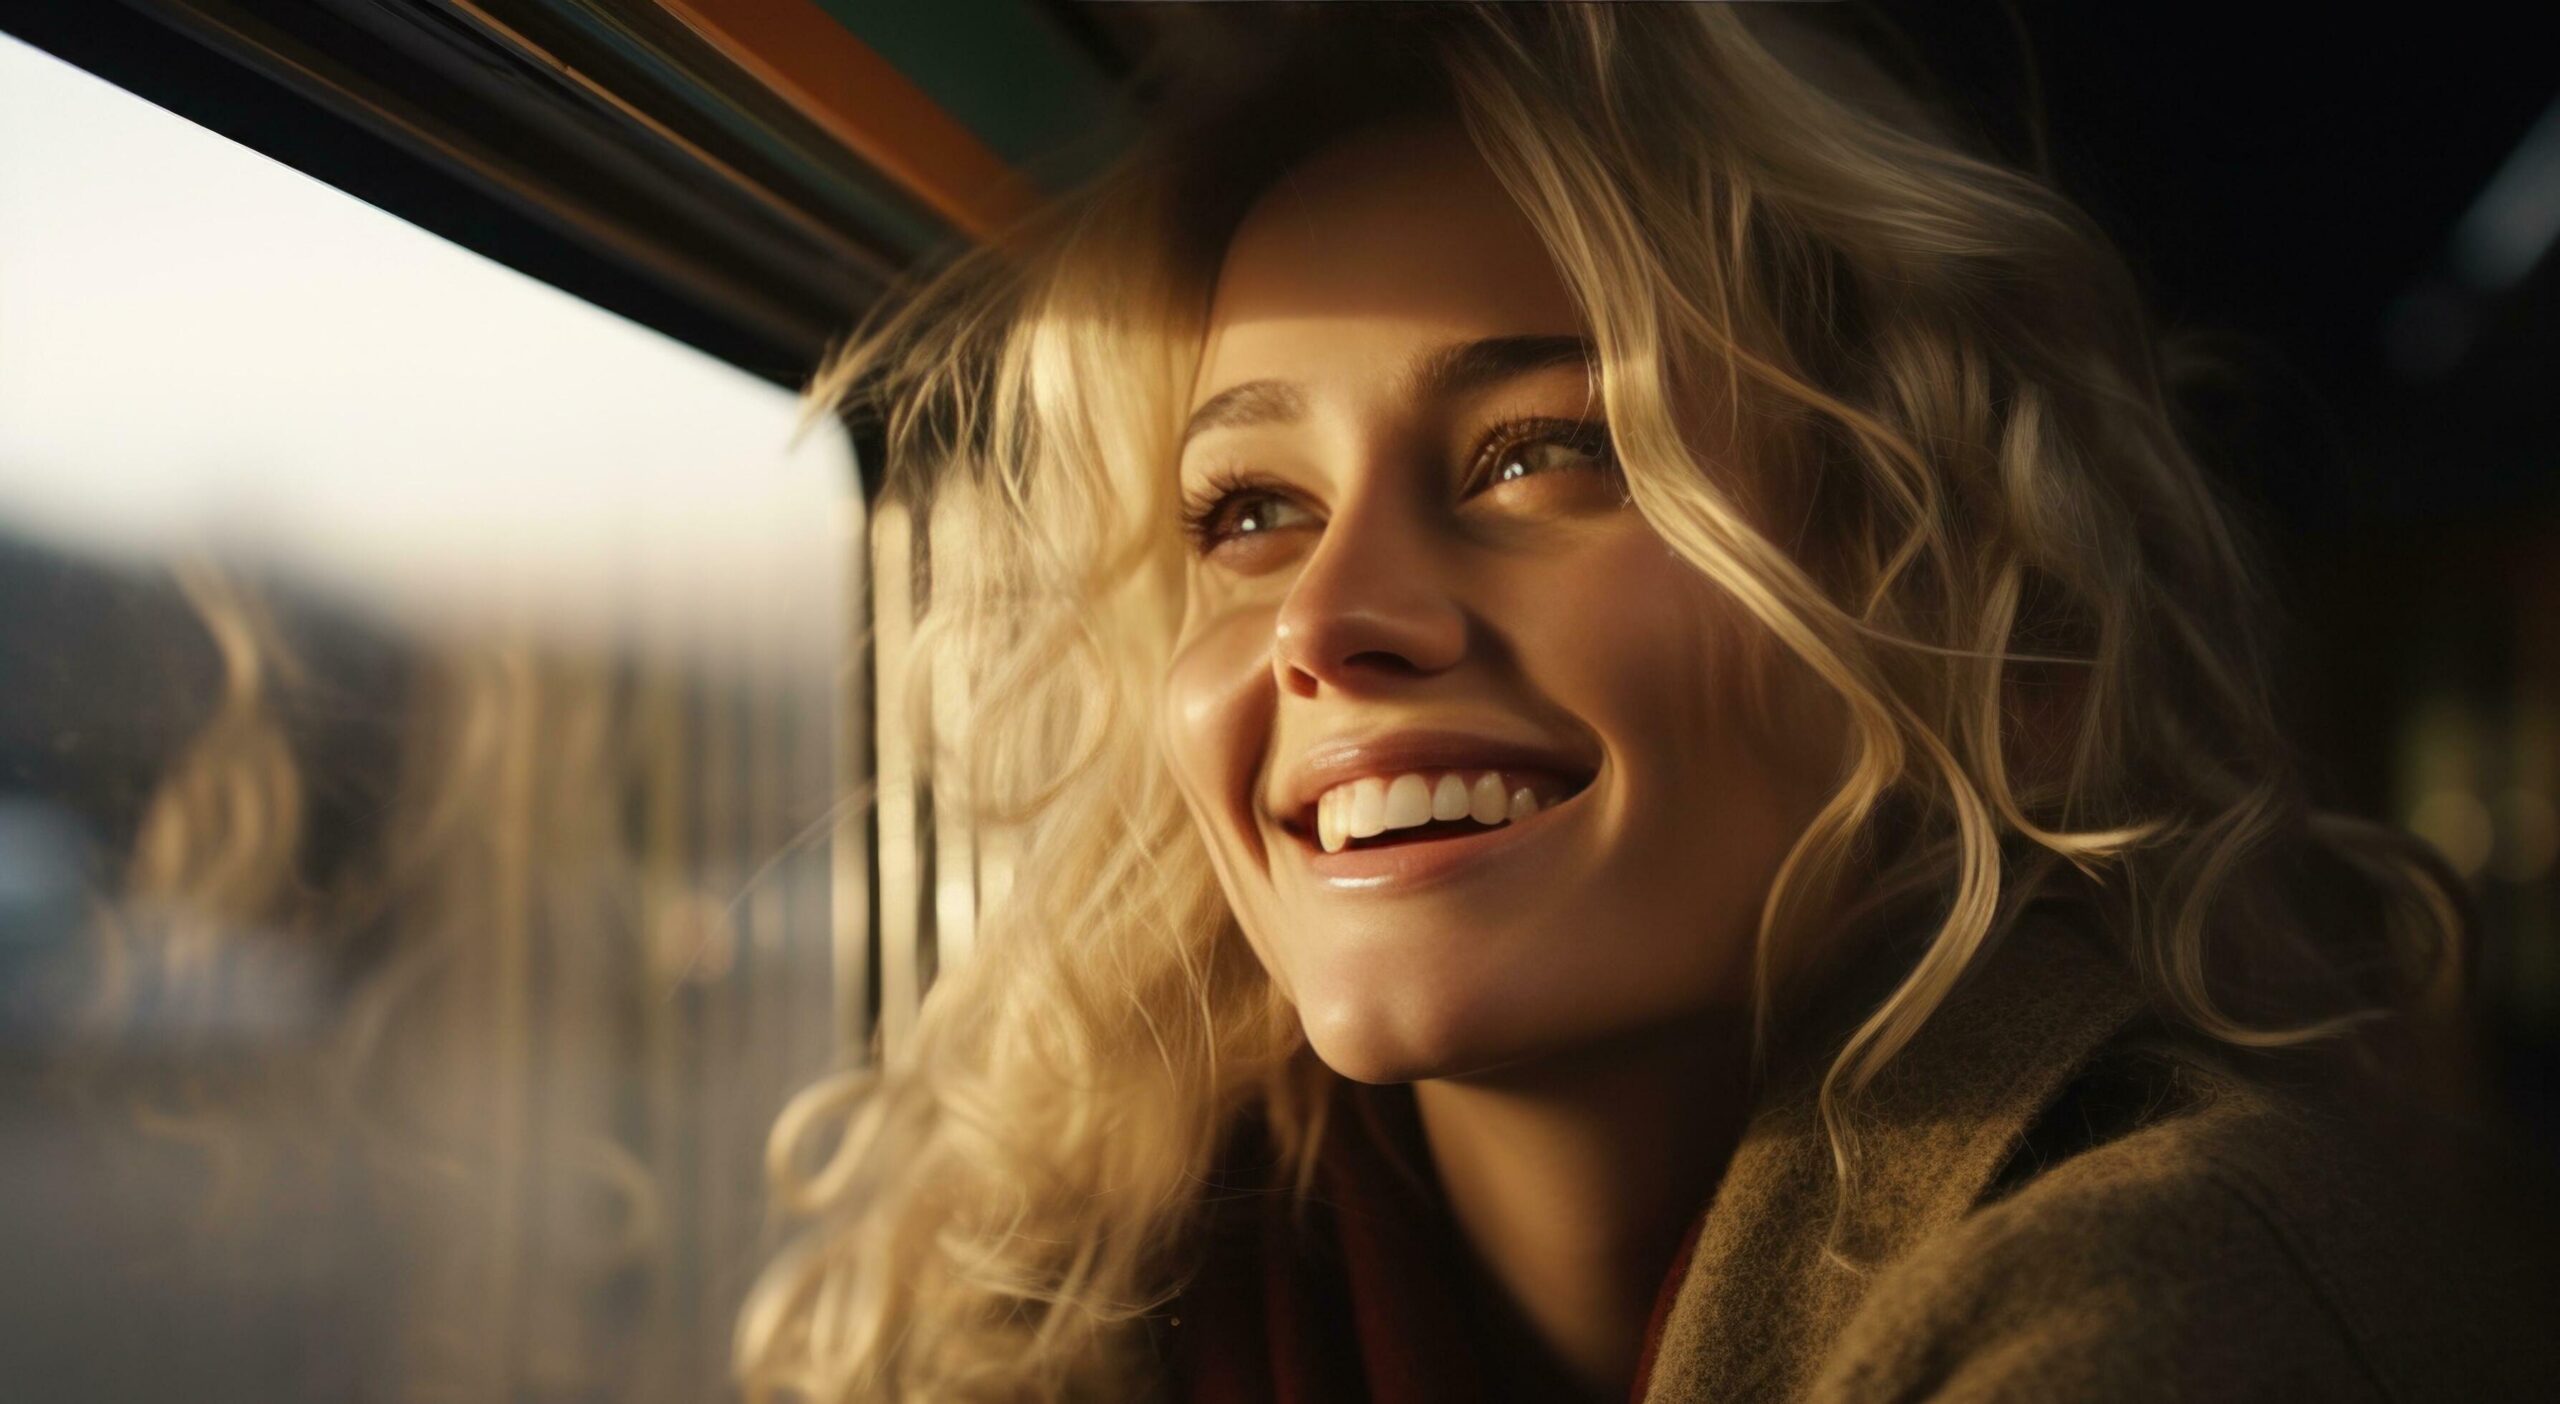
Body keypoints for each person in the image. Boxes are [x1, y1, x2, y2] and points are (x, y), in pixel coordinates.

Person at [737, 7, 2556, 1402]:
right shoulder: (1068, 1298)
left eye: (1544, 453)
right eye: (1250, 512)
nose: (1331, 619)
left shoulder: (2187, 1298)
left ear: (1990, 643)